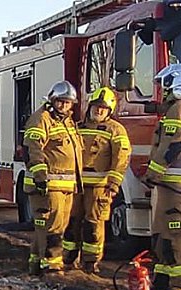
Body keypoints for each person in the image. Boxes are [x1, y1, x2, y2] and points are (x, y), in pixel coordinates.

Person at [62, 87, 131, 274]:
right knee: (71, 222)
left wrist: (114, 183)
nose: (99, 110)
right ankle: (68, 259)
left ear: (109, 111)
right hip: (76, 186)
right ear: (90, 107)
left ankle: (90, 263)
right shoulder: (78, 127)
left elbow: (121, 158)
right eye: (96, 106)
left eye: (103, 108)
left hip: (100, 187)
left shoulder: (116, 130)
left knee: (93, 224)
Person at [22, 80, 84, 275]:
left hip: (65, 185)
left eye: (68, 102)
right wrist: (41, 177)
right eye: (60, 101)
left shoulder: (67, 122)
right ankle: (52, 266)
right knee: (53, 227)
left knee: (59, 225)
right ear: (52, 100)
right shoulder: (41, 118)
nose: (64, 106)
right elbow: (33, 149)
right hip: (49, 185)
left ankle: (36, 265)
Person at [143, 64, 181, 290]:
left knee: (174, 232)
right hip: (170, 184)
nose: (163, 92)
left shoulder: (178, 109)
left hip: (174, 185)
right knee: (164, 230)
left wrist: (153, 173)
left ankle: (176, 284)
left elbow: (171, 146)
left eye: (164, 87)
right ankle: (163, 278)